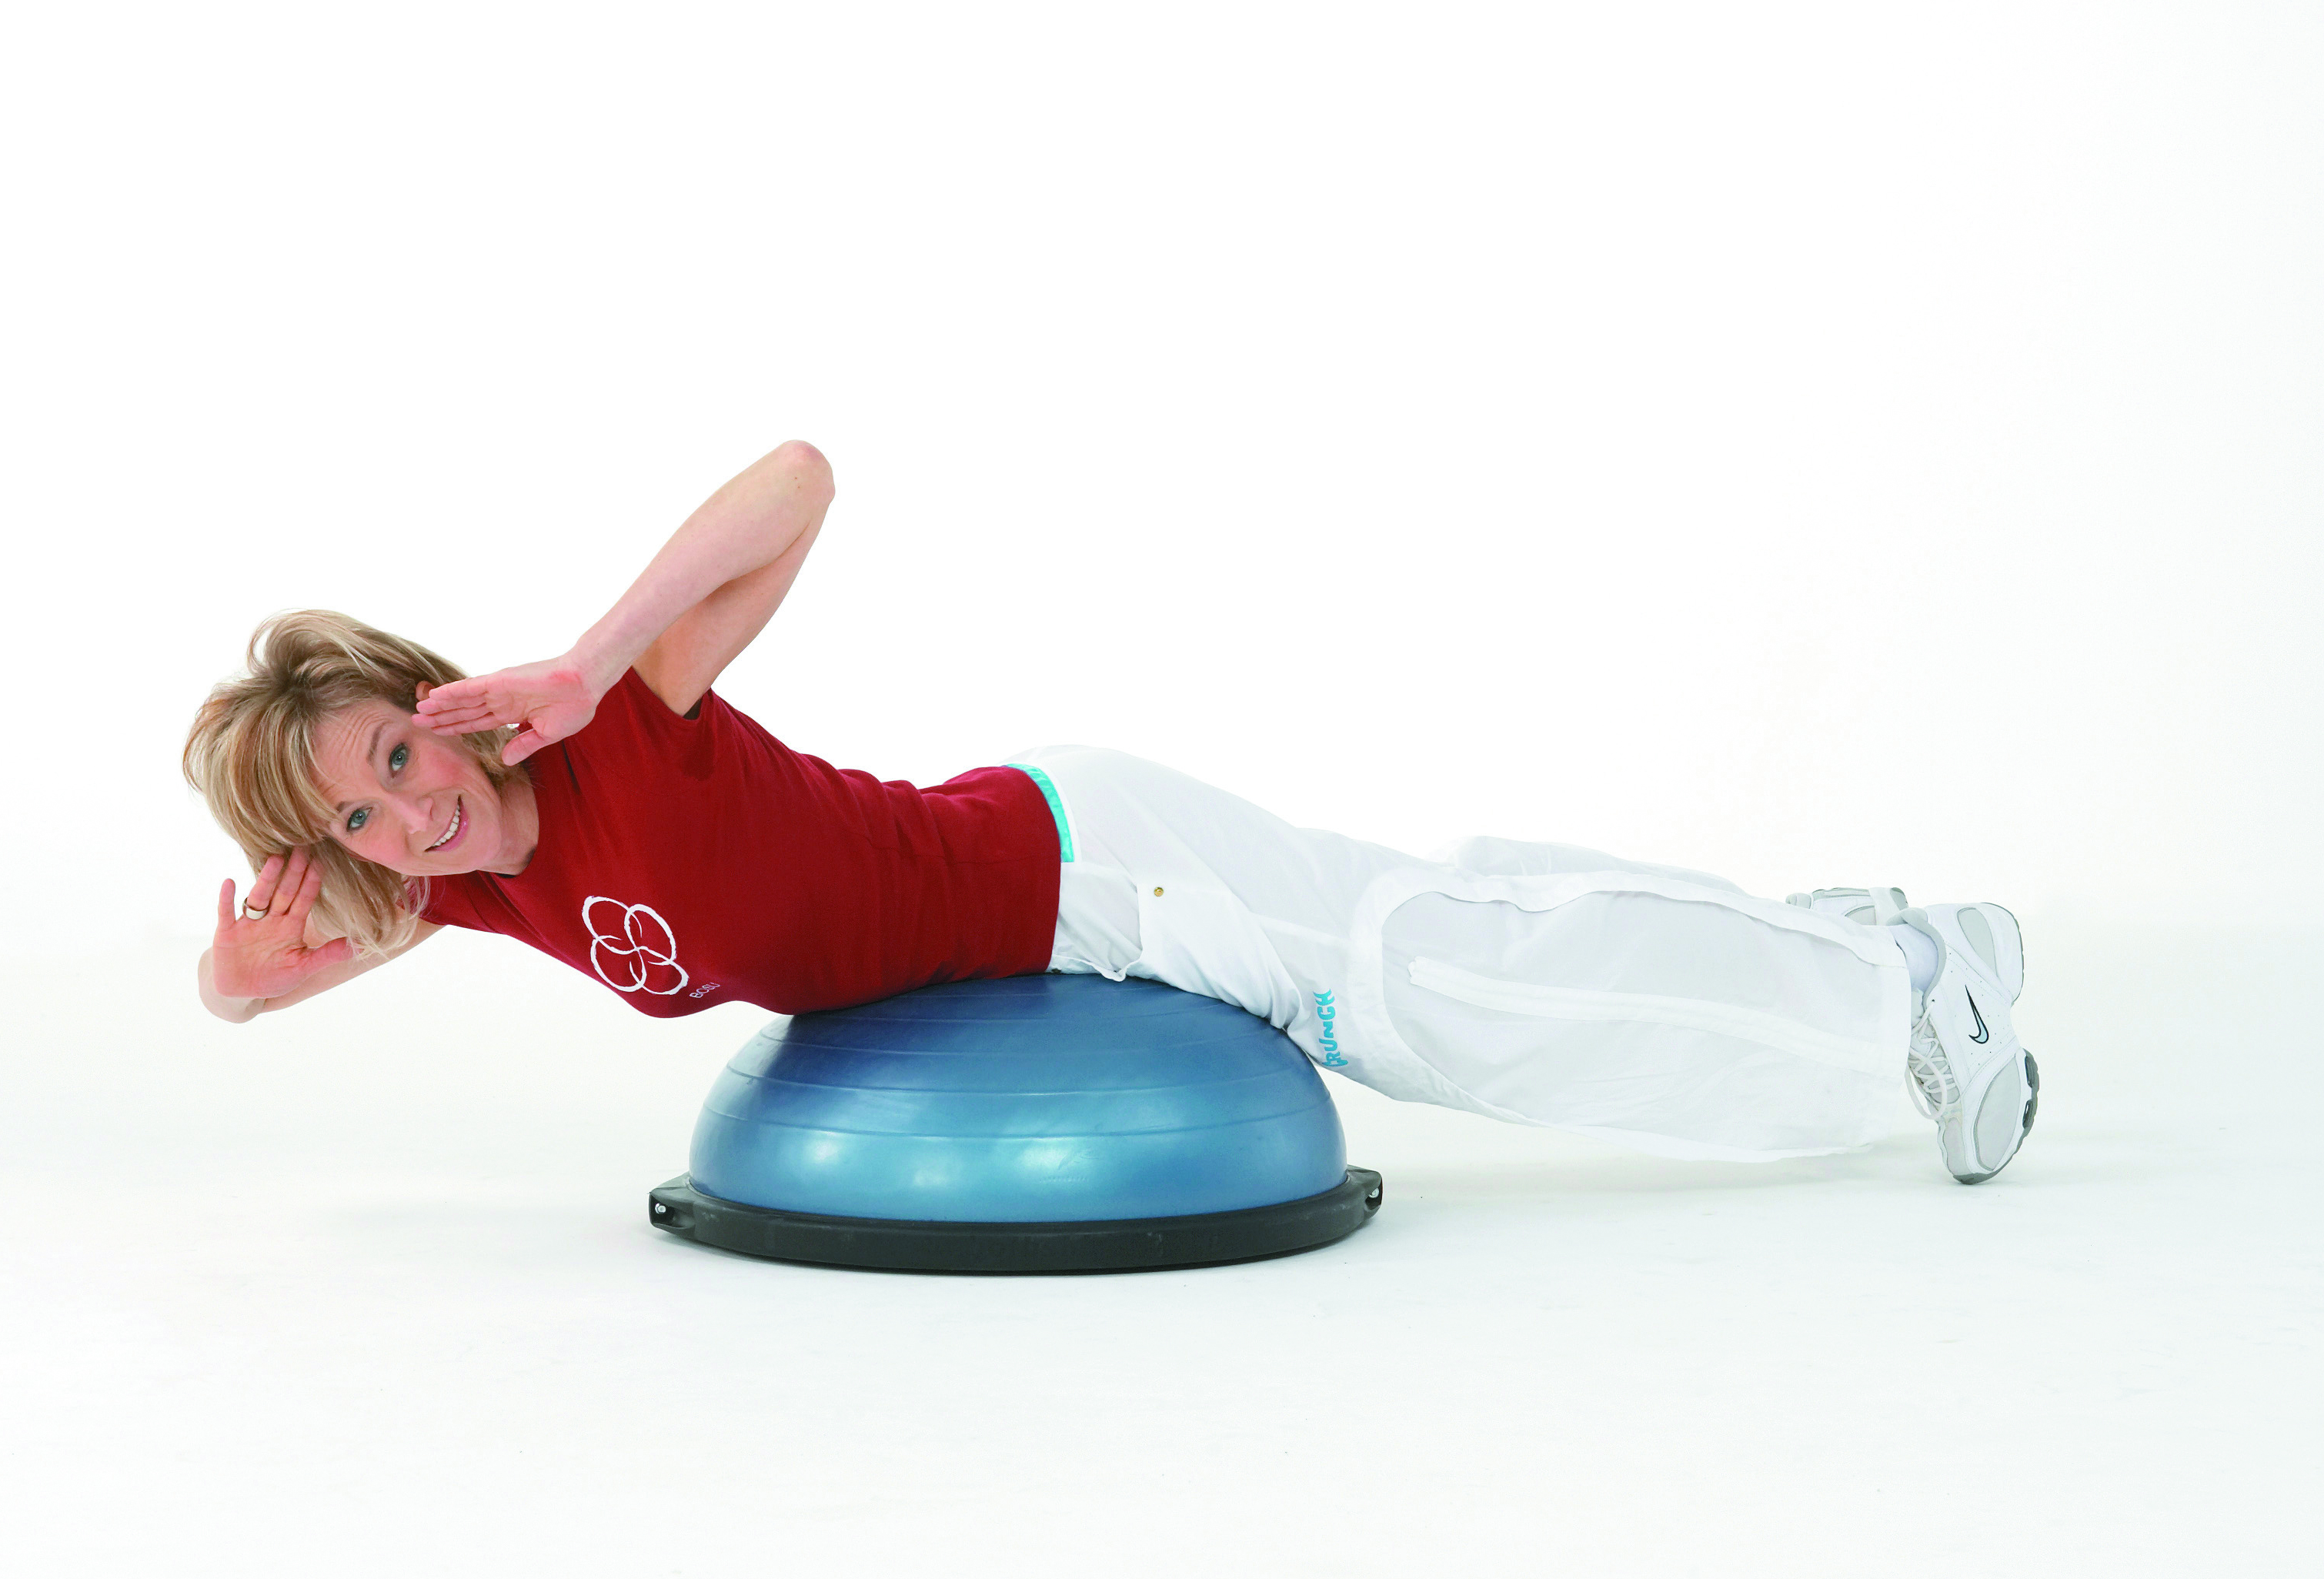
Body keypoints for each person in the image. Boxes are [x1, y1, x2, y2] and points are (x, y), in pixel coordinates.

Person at [183, 442, 2039, 1184]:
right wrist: (238, 976)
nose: (409, 814)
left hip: (1094, 872)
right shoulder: (466, 890)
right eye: (359, 816)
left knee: (1435, 988)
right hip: (1055, 907)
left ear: (437, 708)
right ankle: (1849, 941)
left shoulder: (617, 731)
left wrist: (596, 656)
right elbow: (253, 989)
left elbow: (800, 480)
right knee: (1456, 928)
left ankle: (1908, 993)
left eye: (399, 754)